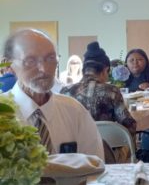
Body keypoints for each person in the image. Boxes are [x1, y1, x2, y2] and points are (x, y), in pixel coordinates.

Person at [2, 29, 104, 159]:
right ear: (8, 66)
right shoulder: (3, 113)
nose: (44, 69)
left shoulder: (74, 111)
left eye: (50, 58)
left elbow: (96, 166)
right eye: (30, 60)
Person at [60, 42, 136, 135]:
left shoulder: (65, 91)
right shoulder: (112, 90)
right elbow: (128, 124)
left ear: (84, 70)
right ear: (105, 70)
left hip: (76, 147)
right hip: (107, 147)